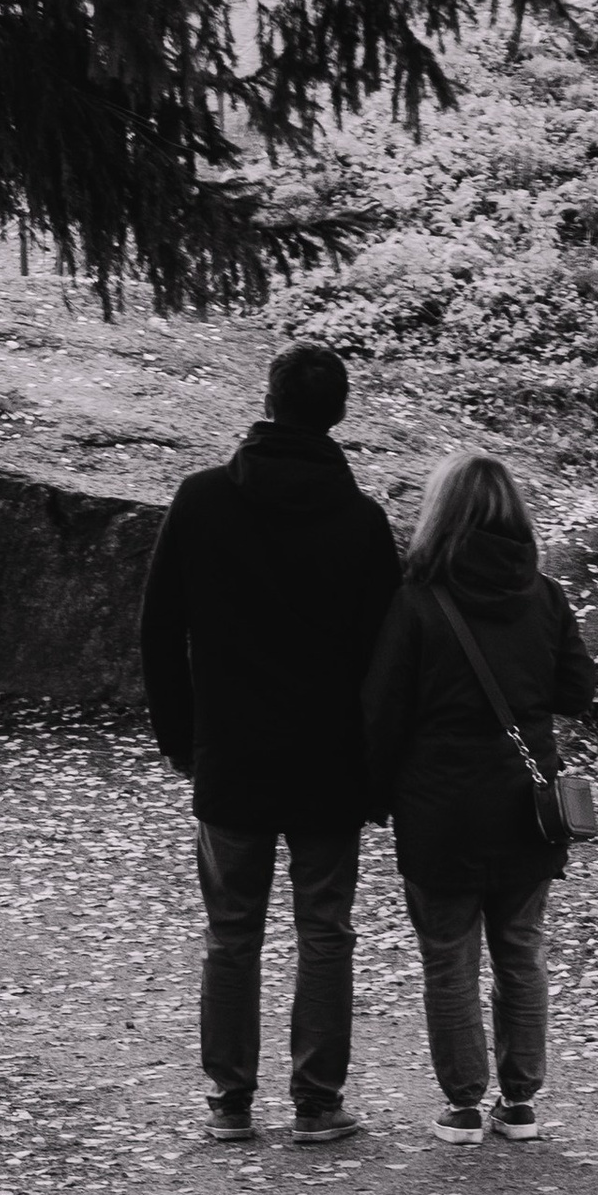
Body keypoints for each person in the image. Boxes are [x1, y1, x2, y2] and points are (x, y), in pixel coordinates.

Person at [139, 339, 402, 1145]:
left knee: (231, 930)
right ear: (339, 413)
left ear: (269, 399)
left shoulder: (203, 500)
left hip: (234, 754)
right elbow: (385, 658)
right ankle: (318, 1103)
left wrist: (184, 741)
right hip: (330, 761)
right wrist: (378, 765)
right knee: (325, 929)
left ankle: (230, 1101)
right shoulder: (360, 522)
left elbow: (158, 631)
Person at [361, 448, 596, 1142]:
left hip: (439, 810)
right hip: (526, 809)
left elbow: (381, 714)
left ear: (441, 514)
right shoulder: (547, 595)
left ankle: (463, 1104)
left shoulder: (417, 603)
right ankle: (520, 1103)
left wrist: (375, 797)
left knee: (449, 959)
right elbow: (577, 692)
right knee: (521, 951)